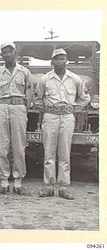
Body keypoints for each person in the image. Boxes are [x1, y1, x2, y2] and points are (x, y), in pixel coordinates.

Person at [35, 48, 90, 200]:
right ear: (52, 61)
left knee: (65, 152)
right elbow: (37, 99)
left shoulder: (75, 79)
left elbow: (84, 98)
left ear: (67, 60)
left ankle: (63, 187)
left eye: (62, 58)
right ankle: (49, 186)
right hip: (50, 116)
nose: (59, 61)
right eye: (56, 58)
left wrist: (73, 108)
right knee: (49, 152)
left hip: (67, 117)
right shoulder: (45, 79)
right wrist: (47, 109)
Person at [0, 42, 33, 195]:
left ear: (15, 53)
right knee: (1, 145)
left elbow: (29, 93)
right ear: (2, 55)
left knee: (19, 145)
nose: (7, 54)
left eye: (10, 51)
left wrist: (23, 109)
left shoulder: (25, 72)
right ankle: (3, 181)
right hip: (2, 106)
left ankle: (18, 181)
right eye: (4, 52)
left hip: (19, 107)